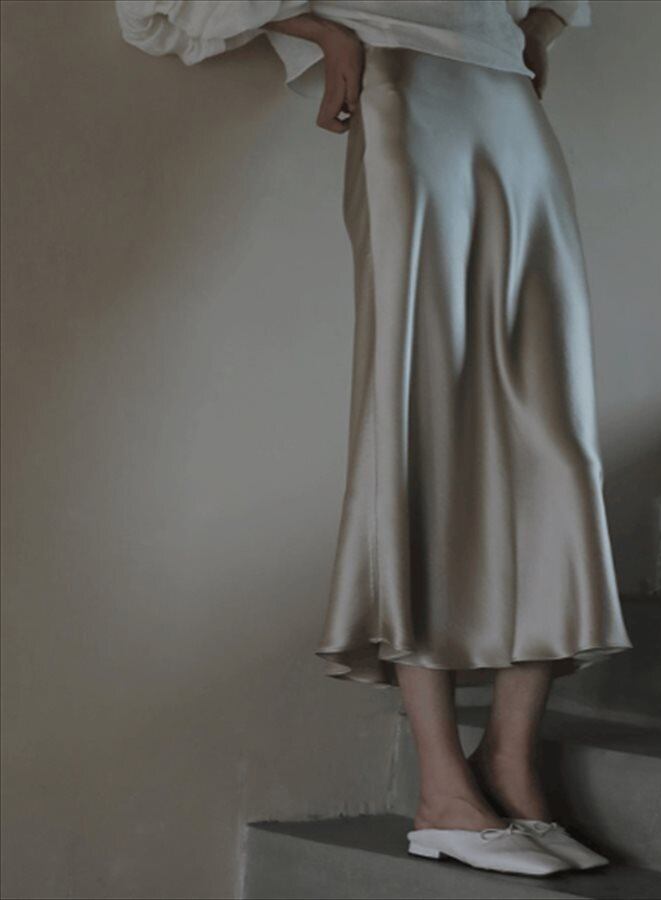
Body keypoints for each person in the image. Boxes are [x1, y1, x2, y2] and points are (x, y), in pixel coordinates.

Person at [116, 0, 632, 878]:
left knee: (557, 437)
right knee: (418, 417)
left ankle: (510, 762)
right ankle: (442, 790)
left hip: (507, 94)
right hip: (401, 85)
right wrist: (322, 32)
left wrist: (537, 27)